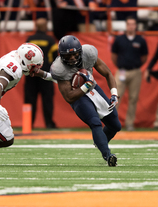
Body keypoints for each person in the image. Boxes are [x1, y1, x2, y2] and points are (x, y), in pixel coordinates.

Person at [43, 35, 121, 166]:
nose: (72, 58)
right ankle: (108, 155)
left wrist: (114, 94)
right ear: (61, 56)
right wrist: (86, 85)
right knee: (95, 123)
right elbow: (69, 97)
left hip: (93, 89)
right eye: (68, 56)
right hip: (78, 96)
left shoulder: (89, 53)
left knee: (115, 126)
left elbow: (107, 73)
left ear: (80, 51)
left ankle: (100, 141)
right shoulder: (59, 68)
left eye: (75, 54)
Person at [111, 16, 148, 131]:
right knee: (116, 96)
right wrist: (120, 65)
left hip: (135, 71)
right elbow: (114, 56)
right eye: (129, 24)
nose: (131, 26)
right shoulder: (119, 39)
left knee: (133, 98)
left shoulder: (140, 40)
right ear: (126, 26)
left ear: (136, 26)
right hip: (122, 70)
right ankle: (112, 122)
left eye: (133, 24)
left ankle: (129, 123)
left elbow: (144, 57)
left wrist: (136, 65)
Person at [24, 18, 58, 129]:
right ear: (45, 26)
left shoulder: (30, 40)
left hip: (31, 75)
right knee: (47, 100)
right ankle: (49, 124)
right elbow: (54, 59)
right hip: (45, 75)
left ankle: (28, 124)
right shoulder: (50, 40)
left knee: (29, 100)